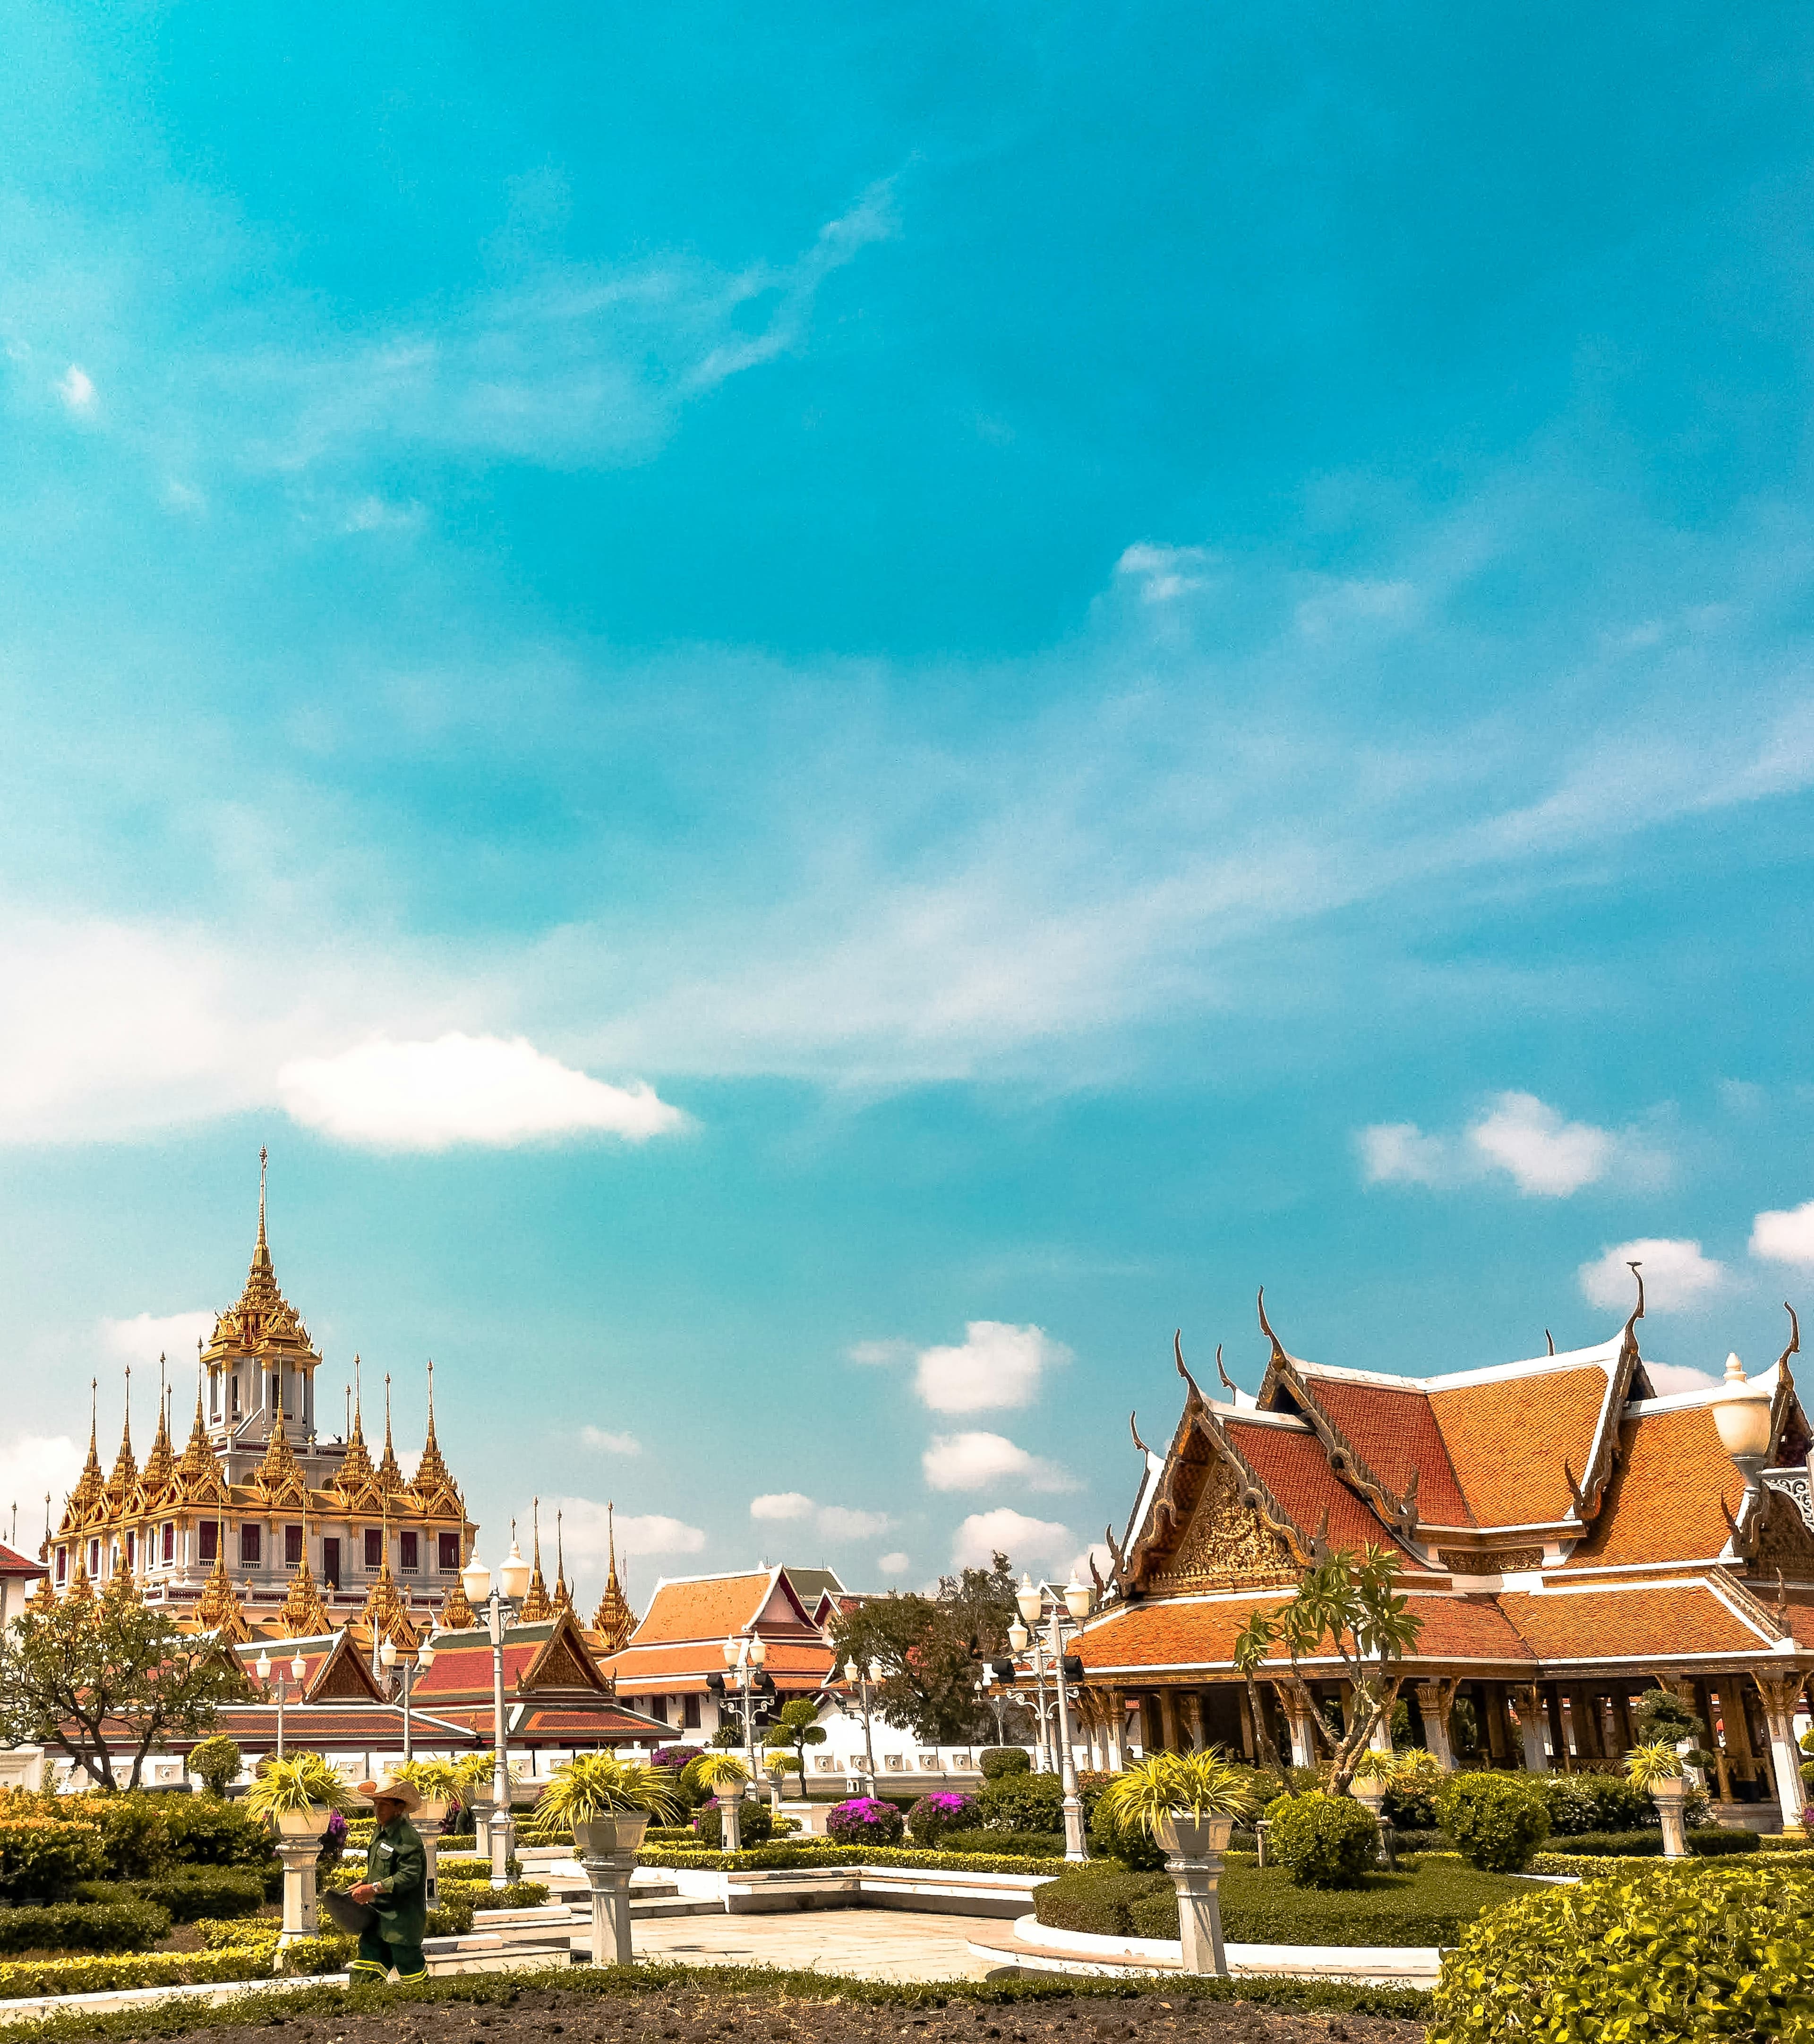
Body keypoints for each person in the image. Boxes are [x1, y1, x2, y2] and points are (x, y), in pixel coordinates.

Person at [348, 1774, 428, 1985]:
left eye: (384, 1805)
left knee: (412, 1971)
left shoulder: (407, 1838)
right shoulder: (380, 1832)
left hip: (400, 1921)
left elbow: (408, 1876)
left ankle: (423, 2007)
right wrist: (364, 1882)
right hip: (378, 1917)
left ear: (399, 1809)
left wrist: (373, 1889)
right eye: (376, 1804)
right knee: (366, 1965)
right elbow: (381, 1870)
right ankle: (362, 2002)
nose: (378, 1810)